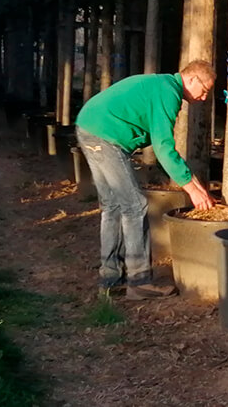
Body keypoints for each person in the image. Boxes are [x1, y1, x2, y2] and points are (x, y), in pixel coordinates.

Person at [76, 59, 217, 299]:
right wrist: (190, 189)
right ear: (192, 78)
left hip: (89, 127)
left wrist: (195, 185)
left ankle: (111, 278)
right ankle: (139, 281)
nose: (204, 98)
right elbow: (163, 147)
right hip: (105, 136)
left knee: (113, 207)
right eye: (204, 91)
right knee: (135, 205)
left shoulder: (162, 85)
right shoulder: (168, 93)